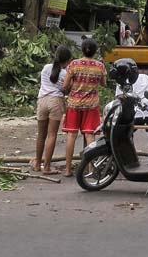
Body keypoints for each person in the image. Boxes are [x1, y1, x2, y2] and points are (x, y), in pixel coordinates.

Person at [62, 38, 106, 177]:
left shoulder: (74, 64)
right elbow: (104, 83)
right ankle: (91, 169)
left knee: (71, 135)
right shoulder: (100, 66)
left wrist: (75, 85)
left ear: (82, 50)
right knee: (89, 135)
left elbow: (65, 85)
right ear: (95, 51)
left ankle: (68, 169)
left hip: (74, 104)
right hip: (91, 105)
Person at [33, 46, 72, 174]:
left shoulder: (46, 68)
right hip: (55, 101)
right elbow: (66, 89)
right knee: (52, 135)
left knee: (41, 134)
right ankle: (47, 167)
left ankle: (37, 164)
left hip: (42, 101)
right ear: (67, 60)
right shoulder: (65, 74)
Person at [115, 66, 148, 158]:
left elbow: (119, 97)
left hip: (135, 114)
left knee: (124, 134)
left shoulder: (122, 81)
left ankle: (128, 158)